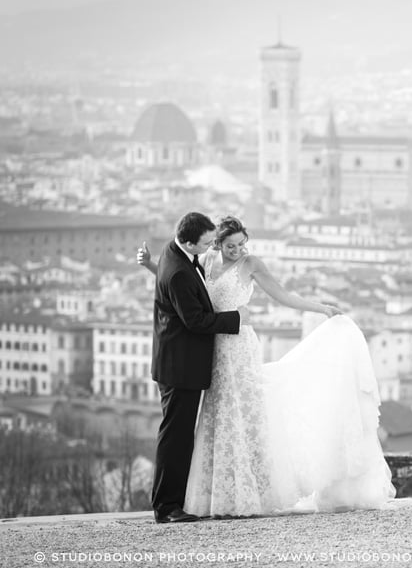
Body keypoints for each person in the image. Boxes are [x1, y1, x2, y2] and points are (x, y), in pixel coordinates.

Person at [138, 216, 395, 518]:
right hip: (213, 348)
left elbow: (283, 295)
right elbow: (181, 287)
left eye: (242, 244)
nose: (237, 250)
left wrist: (322, 308)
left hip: (239, 346)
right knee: (218, 419)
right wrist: (151, 267)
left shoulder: (251, 265)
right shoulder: (205, 260)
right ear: (217, 244)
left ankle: (253, 492)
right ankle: (217, 496)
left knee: (247, 418)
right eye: (230, 245)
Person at [150, 212, 245, 524]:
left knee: (176, 435)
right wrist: (236, 319)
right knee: (176, 437)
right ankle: (167, 507)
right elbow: (196, 321)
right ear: (189, 240)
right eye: (205, 243)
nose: (210, 248)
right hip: (180, 366)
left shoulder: (173, 251)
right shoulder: (178, 271)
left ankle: (169, 503)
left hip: (175, 362)